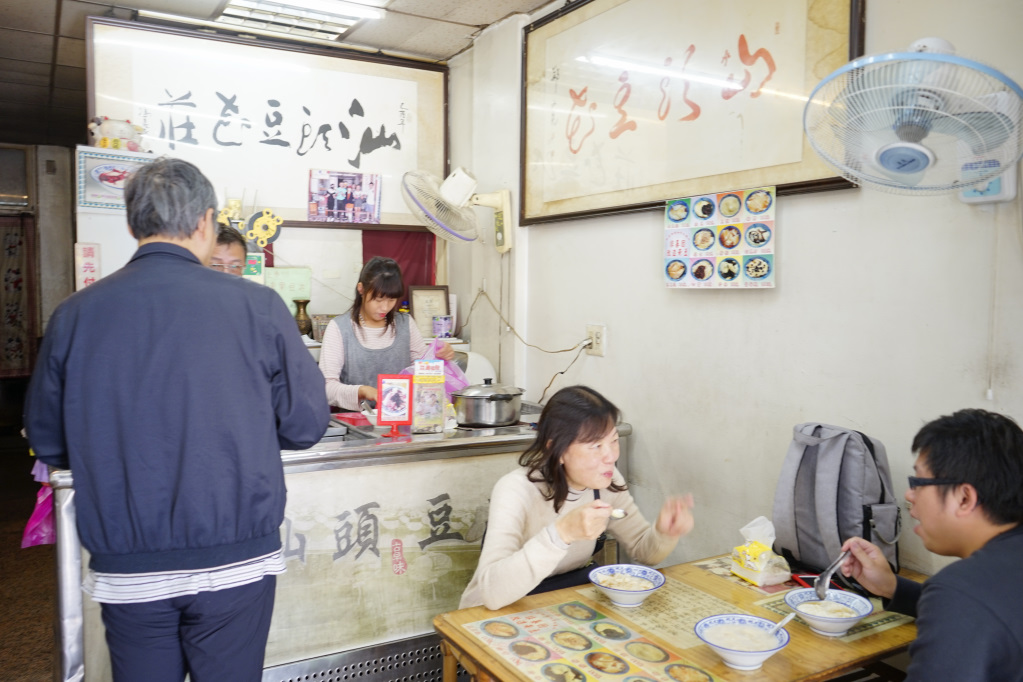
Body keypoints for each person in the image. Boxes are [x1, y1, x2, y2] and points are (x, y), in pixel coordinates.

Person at [23, 157, 330, 682]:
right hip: (236, 557)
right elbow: (304, 426)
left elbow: (49, 441)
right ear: (206, 222)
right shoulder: (258, 306)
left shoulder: (75, 314)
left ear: (131, 223)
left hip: (129, 562)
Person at [459, 385, 695, 610]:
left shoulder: (608, 481)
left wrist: (665, 533)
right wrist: (561, 534)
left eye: (613, 441)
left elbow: (645, 552)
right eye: (595, 446)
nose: (610, 457)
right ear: (557, 450)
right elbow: (491, 592)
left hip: (561, 604)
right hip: (495, 610)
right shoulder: (515, 489)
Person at [839, 408, 1023, 681]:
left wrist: (949, 595)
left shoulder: (961, 591)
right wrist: (892, 587)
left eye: (918, 482)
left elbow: (968, 605)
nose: (909, 495)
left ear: (964, 498)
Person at [319, 256, 453, 411]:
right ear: (361, 289)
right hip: (358, 425)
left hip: (402, 423)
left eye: (391, 300)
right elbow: (326, 388)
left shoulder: (406, 323)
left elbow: (423, 373)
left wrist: (439, 356)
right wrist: (362, 391)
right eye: (378, 299)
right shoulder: (339, 328)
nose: (384, 308)